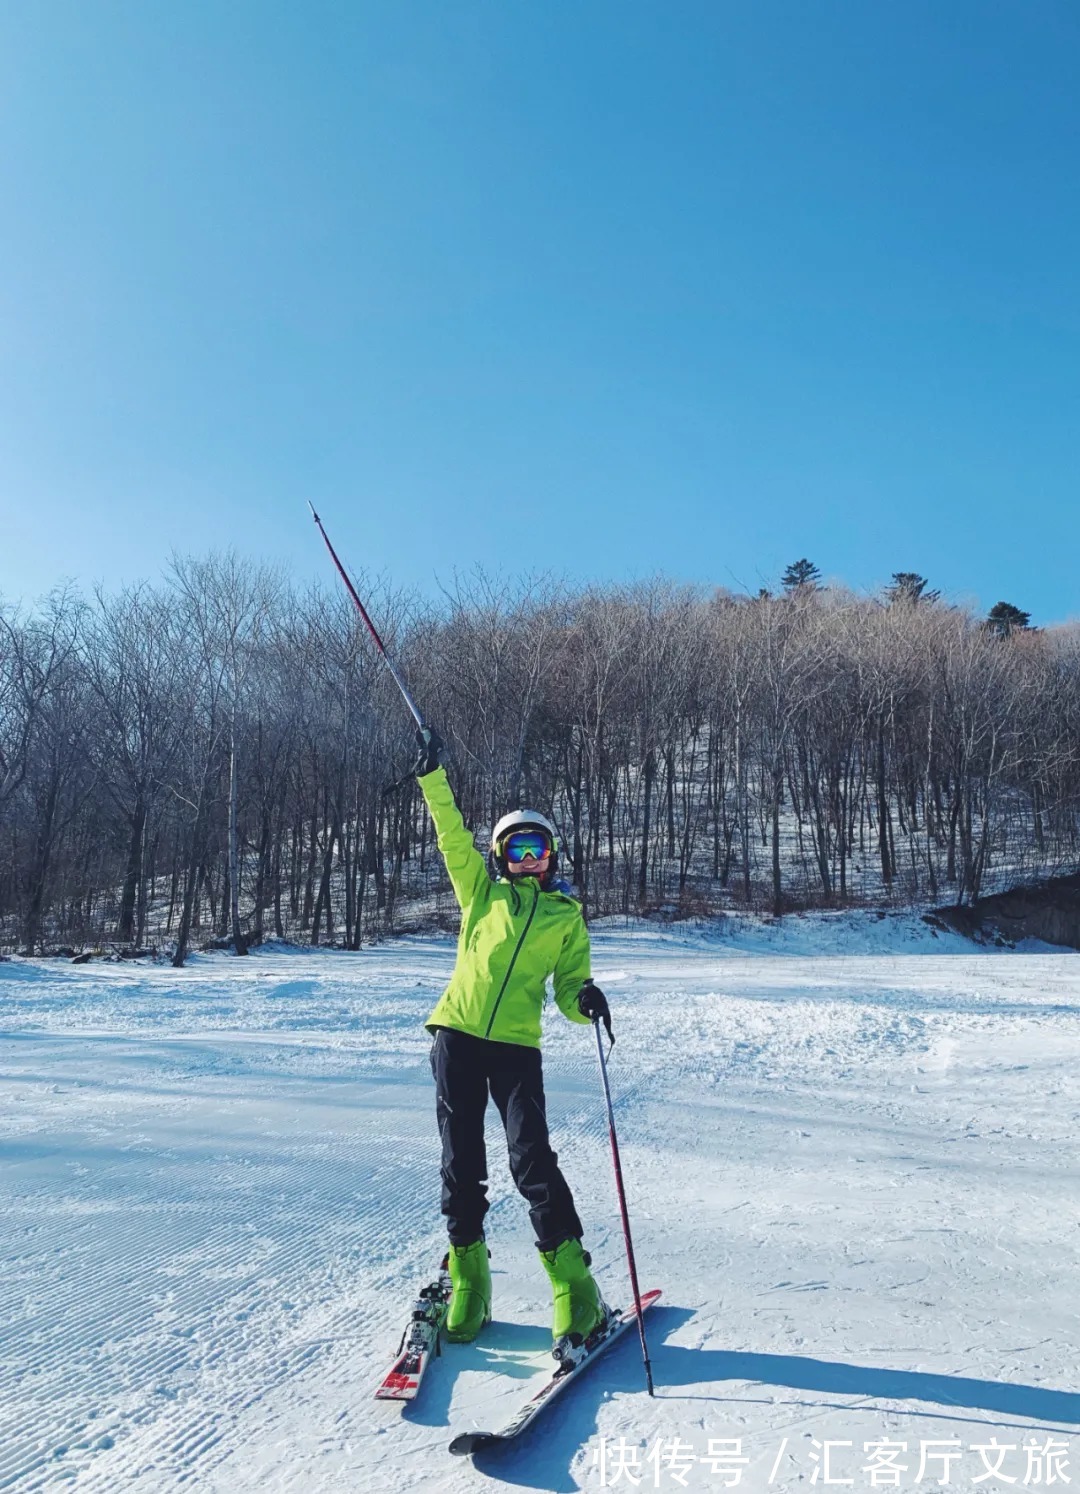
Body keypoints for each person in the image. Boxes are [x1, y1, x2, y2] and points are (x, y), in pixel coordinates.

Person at [413, 725, 612, 1346]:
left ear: (554, 856)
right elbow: (450, 834)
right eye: (518, 851)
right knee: (462, 1159)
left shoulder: (565, 916)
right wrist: (431, 776)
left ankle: (573, 1286)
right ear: (500, 856)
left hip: (517, 1047)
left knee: (532, 1157)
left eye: (539, 850)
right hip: (459, 1035)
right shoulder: (480, 892)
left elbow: (569, 987)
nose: (530, 861)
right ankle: (470, 1275)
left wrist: (585, 1000)